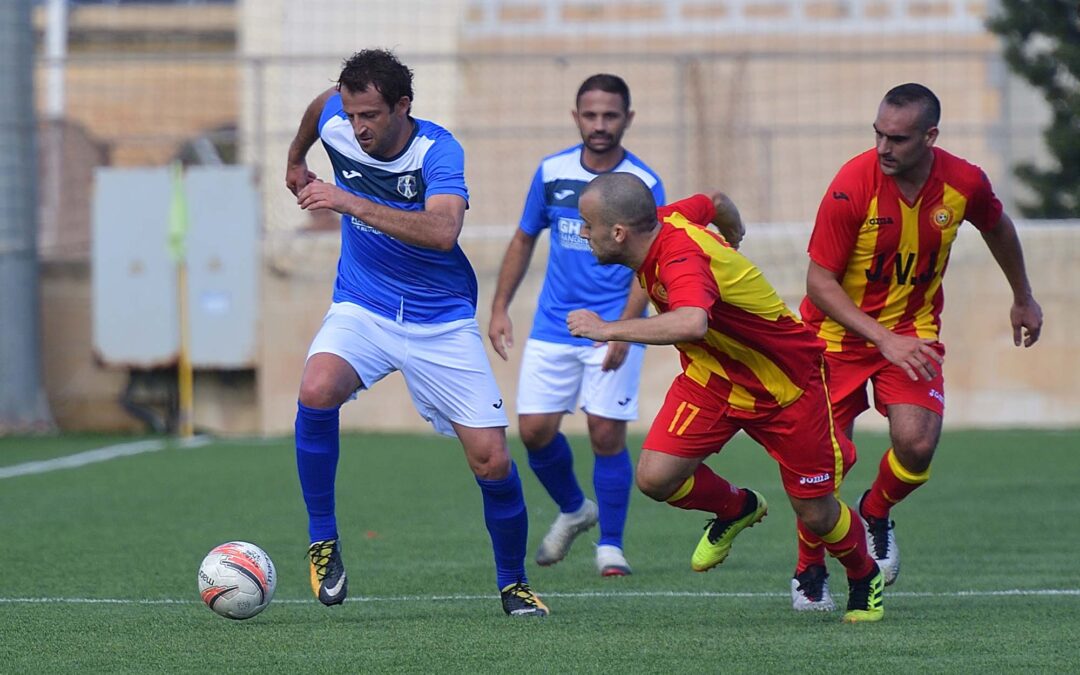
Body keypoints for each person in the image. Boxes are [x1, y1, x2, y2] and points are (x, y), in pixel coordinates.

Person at [284, 49, 548, 617]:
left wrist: (347, 200)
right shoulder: (337, 115)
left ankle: (514, 584)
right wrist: (294, 160)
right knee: (315, 389)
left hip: (441, 319)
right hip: (364, 305)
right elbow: (316, 109)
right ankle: (324, 540)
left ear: (403, 106)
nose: (357, 127)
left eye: (370, 116)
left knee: (492, 461)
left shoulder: (438, 150)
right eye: (352, 115)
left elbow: (442, 231)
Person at [566, 172, 884, 623]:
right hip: (714, 375)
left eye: (587, 224)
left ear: (618, 233)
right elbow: (714, 199)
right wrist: (733, 235)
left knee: (815, 513)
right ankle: (738, 507)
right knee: (656, 478)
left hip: (784, 385)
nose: (582, 233)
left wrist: (607, 329)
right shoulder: (662, 219)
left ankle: (863, 573)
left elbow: (692, 322)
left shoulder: (680, 259)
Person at [790, 82, 1044, 611]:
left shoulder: (963, 183)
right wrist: (883, 339)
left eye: (898, 139)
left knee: (918, 445)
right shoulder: (850, 185)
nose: (883, 147)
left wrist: (1023, 295)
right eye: (878, 134)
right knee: (821, 464)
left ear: (930, 136)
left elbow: (998, 228)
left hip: (914, 333)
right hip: (833, 340)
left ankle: (876, 512)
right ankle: (809, 570)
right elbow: (819, 283)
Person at [487, 74, 665, 577]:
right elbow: (524, 240)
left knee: (606, 434)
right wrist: (499, 306)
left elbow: (653, 259)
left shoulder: (643, 183)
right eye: (591, 115)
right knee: (534, 431)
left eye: (611, 115)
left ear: (628, 119)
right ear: (576, 117)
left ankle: (610, 546)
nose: (600, 125)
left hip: (613, 323)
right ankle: (574, 508)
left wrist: (625, 329)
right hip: (553, 325)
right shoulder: (552, 172)